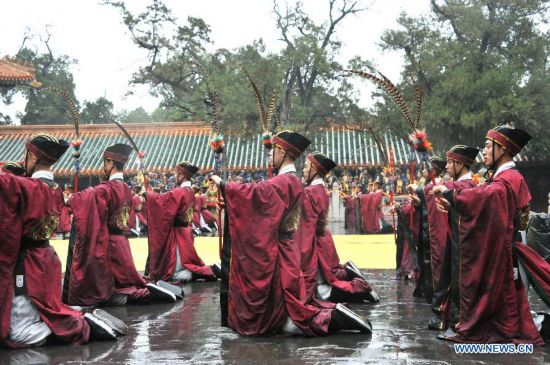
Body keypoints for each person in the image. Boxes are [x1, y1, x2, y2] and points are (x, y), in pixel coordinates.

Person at [212, 130, 371, 336]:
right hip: (288, 248)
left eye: (272, 152)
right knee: (290, 303)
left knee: (288, 314)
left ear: (282, 152)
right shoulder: (291, 180)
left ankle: (332, 318)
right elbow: (263, 196)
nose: (269, 156)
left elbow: (257, 194)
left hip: (280, 251)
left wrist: (225, 186)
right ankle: (331, 315)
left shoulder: (284, 181)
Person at [0, 135, 128, 347]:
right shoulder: (54, 189)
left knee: (18, 333)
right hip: (46, 259)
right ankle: (77, 318)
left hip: (27, 264)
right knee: (44, 309)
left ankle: (81, 325)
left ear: (32, 155)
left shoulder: (25, 186)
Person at [433, 126, 549, 345]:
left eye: (488, 146)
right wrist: (453, 204)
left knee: (509, 300)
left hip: (507, 248)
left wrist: (451, 193)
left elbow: (487, 196)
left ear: (502, 149)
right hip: (502, 245)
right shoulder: (501, 177)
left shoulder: (509, 178)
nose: (484, 152)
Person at [64, 144, 176, 307]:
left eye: (104, 163)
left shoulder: (105, 189)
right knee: (124, 283)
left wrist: (72, 199)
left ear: (110, 162)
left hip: (109, 244)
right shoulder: (126, 188)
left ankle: (144, 295)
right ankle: (147, 292)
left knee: (110, 291)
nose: (103, 167)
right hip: (122, 243)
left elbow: (85, 200)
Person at [409, 146, 479, 330]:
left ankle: (455, 318)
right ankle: (445, 316)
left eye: (450, 162)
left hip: (462, 242)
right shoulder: (459, 185)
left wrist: (421, 191)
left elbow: (447, 191)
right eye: (446, 162)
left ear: (460, 164)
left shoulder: (468, 186)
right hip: (454, 239)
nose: (447, 166)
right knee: (447, 279)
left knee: (454, 280)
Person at [297, 152, 380, 304]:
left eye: (307, 166)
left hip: (314, 241)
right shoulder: (320, 189)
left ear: (315, 170)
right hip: (323, 239)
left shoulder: (309, 192)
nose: (303, 169)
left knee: (321, 286)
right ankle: (352, 278)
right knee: (328, 277)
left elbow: (307, 223)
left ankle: (358, 291)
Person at [144, 161, 220, 284]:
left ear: (181, 174)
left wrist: (148, 195)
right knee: (186, 264)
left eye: (175, 173)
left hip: (179, 235)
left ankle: (205, 272)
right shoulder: (189, 191)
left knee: (177, 273)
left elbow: (162, 202)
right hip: (186, 233)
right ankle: (207, 271)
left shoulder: (180, 191)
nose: (174, 176)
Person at [408, 156, 446, 301]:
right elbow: (425, 206)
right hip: (428, 228)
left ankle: (430, 291)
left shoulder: (434, 186)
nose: (423, 171)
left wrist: (416, 190)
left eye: (425, 168)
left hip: (433, 230)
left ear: (434, 172)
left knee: (430, 261)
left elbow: (424, 193)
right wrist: (419, 204)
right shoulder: (432, 185)